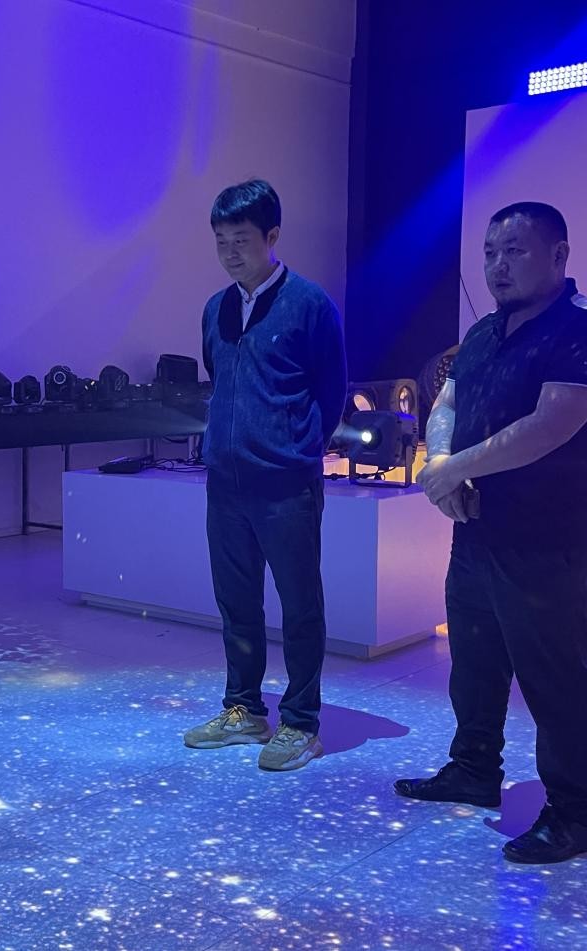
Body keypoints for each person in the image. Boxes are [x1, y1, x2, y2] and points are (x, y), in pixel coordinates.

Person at [397, 202, 587, 864]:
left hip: (547, 538)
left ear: (558, 255)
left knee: (554, 675)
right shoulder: (482, 332)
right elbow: (446, 402)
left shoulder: (585, 326)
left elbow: (549, 425)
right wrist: (442, 465)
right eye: (490, 253)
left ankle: (571, 813)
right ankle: (473, 768)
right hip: (475, 528)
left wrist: (451, 470)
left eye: (515, 251)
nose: (498, 265)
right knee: (474, 660)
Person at [183, 180, 347, 771]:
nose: (230, 252)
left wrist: (296, 449)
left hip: (285, 484)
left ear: (272, 236)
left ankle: (300, 721)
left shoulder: (309, 304)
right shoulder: (216, 308)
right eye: (220, 241)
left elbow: (332, 390)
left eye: (242, 240)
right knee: (236, 601)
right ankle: (244, 709)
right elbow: (218, 376)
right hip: (225, 484)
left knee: (299, 603)